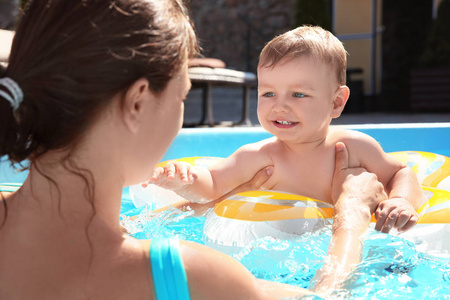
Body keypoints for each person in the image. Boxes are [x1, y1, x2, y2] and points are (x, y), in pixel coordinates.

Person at [0, 1, 386, 299]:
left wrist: (208, 201)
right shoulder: (189, 276)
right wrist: (350, 213)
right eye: (183, 95)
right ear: (138, 102)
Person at [150, 25, 423, 234]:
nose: (279, 107)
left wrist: (401, 200)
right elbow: (213, 185)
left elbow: (401, 172)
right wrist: (185, 179)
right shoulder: (260, 156)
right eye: (268, 93)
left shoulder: (354, 148)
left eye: (298, 95)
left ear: (336, 102)